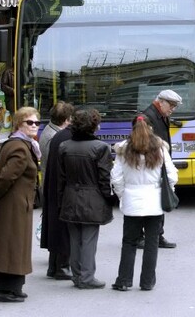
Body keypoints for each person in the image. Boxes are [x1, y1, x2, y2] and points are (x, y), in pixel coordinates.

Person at [111, 115, 179, 291]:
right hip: (154, 202)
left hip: (132, 201)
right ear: (150, 128)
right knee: (151, 243)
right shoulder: (160, 149)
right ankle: (147, 282)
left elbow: (116, 178)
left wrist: (122, 195)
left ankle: (124, 280)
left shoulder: (123, 150)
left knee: (129, 242)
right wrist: (167, 191)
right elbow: (172, 175)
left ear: (131, 129)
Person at [0, 107, 41, 302]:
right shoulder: (20, 147)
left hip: (12, 203)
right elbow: (6, 175)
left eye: (36, 123)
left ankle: (13, 287)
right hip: (13, 205)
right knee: (12, 247)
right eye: (29, 122)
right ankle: (6, 290)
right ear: (19, 124)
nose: (34, 126)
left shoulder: (18, 143)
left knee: (11, 245)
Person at [57, 109, 114, 289]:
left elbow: (61, 177)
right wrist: (109, 197)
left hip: (70, 196)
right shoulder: (101, 148)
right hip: (92, 197)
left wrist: (60, 199)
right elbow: (105, 178)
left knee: (75, 239)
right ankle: (87, 277)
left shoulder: (64, 146)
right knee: (89, 239)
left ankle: (77, 275)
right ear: (93, 126)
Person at [141, 89, 182, 249]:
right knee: (153, 201)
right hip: (153, 165)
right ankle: (150, 235)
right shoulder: (148, 117)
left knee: (161, 199)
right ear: (161, 102)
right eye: (171, 106)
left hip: (160, 163)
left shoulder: (160, 115)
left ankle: (158, 234)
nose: (172, 110)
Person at [39, 101, 75, 280]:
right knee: (60, 227)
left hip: (50, 183)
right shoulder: (55, 136)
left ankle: (54, 266)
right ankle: (60, 266)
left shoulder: (50, 131)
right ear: (67, 119)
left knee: (55, 226)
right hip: (52, 184)